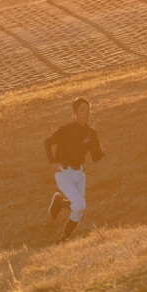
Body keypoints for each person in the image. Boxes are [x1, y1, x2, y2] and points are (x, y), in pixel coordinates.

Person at [44, 97, 104, 242]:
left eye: (88, 110)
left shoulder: (91, 134)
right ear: (75, 113)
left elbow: (95, 157)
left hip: (79, 174)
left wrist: (103, 150)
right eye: (82, 110)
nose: (86, 113)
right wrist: (52, 163)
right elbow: (47, 143)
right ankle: (58, 202)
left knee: (78, 210)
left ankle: (63, 239)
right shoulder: (66, 130)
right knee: (79, 205)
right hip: (63, 173)